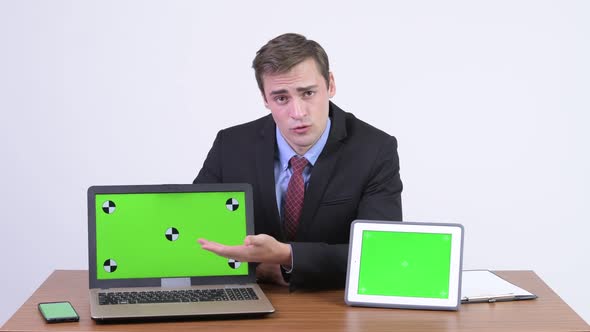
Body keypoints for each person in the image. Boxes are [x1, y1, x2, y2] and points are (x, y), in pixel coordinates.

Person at [194, 33, 402, 290]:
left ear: (331, 85)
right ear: (265, 98)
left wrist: (286, 256)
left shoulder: (375, 149)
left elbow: (381, 253)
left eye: (308, 93)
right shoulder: (231, 145)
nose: (298, 113)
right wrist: (259, 267)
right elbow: (200, 237)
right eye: (281, 98)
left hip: (333, 306)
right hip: (251, 301)